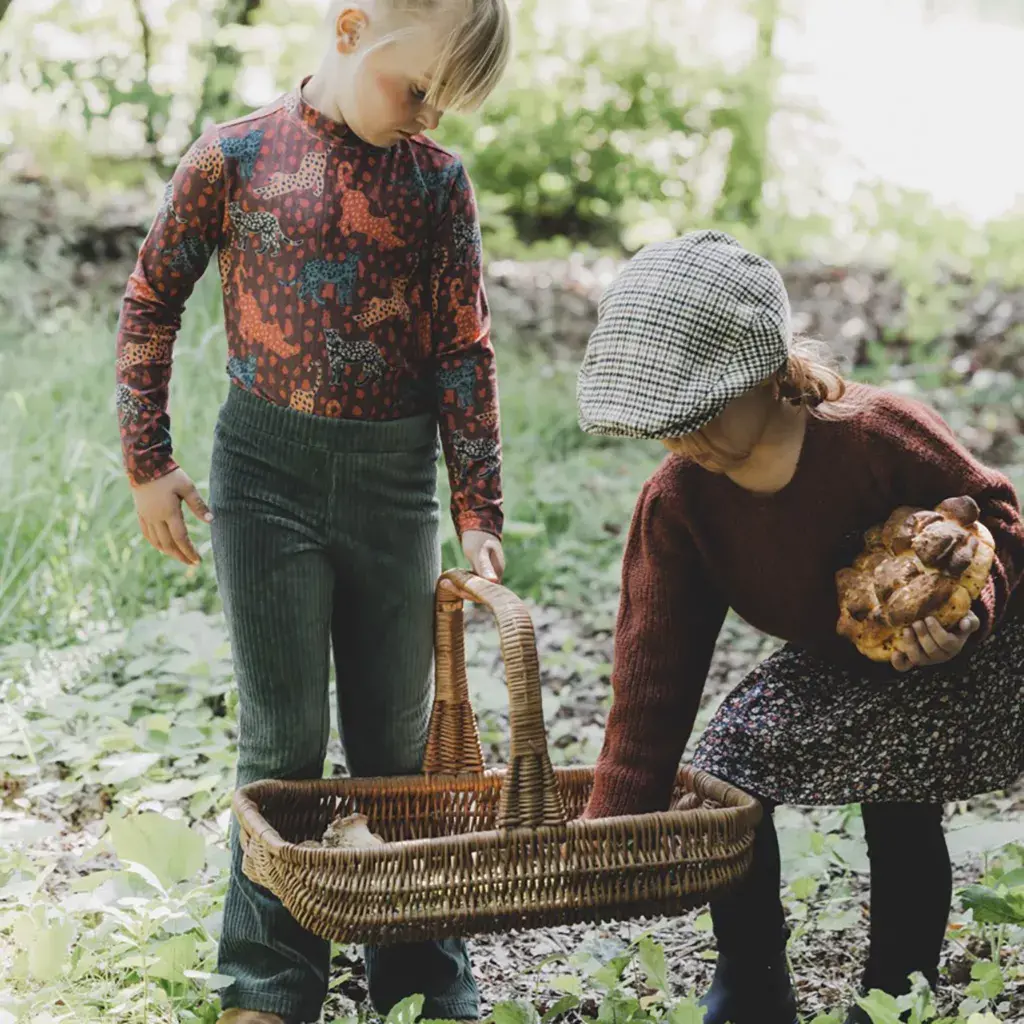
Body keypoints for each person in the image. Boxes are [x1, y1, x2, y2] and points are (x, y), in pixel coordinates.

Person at [114, 2, 512, 1021]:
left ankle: (423, 976)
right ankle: (266, 981)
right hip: (264, 483)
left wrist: (478, 511)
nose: (424, 117)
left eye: (442, 103)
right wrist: (147, 461)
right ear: (349, 30)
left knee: (396, 745)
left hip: (392, 492)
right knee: (281, 743)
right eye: (414, 88)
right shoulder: (235, 156)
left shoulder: (435, 182)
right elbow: (153, 297)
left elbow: (463, 348)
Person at [575, 230, 1024, 1024]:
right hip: (842, 655)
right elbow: (654, 667)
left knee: (899, 785)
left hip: (975, 652)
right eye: (666, 423)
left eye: (704, 412)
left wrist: (972, 618)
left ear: (771, 373)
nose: (685, 440)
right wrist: (612, 822)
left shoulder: (874, 433)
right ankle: (750, 983)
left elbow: (999, 518)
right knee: (728, 765)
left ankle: (893, 997)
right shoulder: (679, 502)